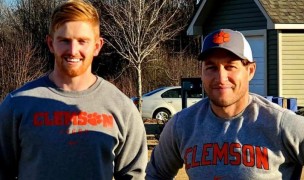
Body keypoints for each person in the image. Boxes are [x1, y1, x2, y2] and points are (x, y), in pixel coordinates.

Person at [0, 0, 147, 179]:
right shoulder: (17, 105)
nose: (73, 50)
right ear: (50, 44)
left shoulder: (122, 108)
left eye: (82, 41)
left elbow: (134, 175)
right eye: (64, 41)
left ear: (97, 46)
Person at [146, 29, 304, 179]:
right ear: (201, 72)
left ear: (250, 71)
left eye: (230, 67)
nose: (221, 78)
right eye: (211, 67)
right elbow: (155, 174)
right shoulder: (182, 125)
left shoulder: (281, 125)